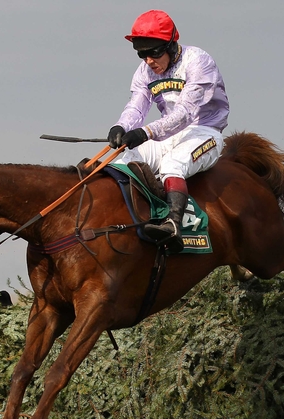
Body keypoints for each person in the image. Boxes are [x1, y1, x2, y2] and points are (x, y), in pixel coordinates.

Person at [107, 9, 230, 253]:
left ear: (172, 44)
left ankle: (173, 225)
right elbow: (137, 106)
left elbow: (184, 113)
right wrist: (121, 126)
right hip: (168, 134)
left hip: (204, 132)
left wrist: (146, 132)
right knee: (125, 159)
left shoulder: (199, 61)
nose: (148, 61)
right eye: (141, 54)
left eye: (154, 52)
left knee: (173, 165)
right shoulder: (145, 71)